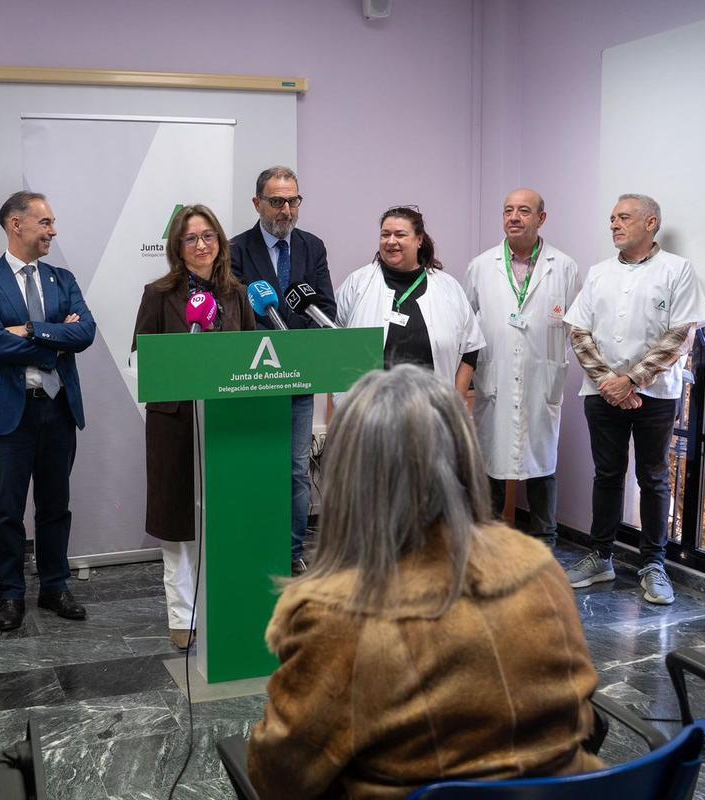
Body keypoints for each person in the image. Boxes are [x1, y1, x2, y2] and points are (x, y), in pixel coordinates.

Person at [247, 365, 603, 799]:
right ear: (464, 458)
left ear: (350, 476)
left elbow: (281, 778)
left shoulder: (335, 617)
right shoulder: (539, 570)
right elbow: (583, 718)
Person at [563, 193, 705, 605]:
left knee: (654, 477)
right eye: (612, 218)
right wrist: (609, 382)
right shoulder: (599, 273)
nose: (614, 224)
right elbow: (579, 332)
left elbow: (680, 334)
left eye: (624, 217)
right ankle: (600, 556)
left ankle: (653, 565)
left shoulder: (677, 270)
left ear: (651, 223)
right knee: (607, 475)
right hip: (601, 392)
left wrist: (631, 380)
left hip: (656, 394)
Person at [0, 191, 96, 632]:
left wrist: (30, 329)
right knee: (7, 510)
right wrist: (56, 339)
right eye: (45, 222)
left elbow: (86, 333)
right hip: (7, 415)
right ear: (15, 224)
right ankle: (11, 594)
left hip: (57, 409)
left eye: (52, 222)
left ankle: (55, 587)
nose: (53, 231)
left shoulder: (63, 279)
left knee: (55, 506)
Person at [135, 204, 256, 650]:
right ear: (178, 246)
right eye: (191, 238)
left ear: (220, 242)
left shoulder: (237, 294)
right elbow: (140, 357)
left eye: (208, 236)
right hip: (175, 424)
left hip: (226, 422)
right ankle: (181, 616)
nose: (201, 245)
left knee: (223, 522)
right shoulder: (158, 294)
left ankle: (221, 608)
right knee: (178, 527)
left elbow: (251, 356)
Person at [231, 166, 334, 575]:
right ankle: (255, 544)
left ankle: (291, 552)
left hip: (299, 378)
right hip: (253, 377)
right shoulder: (236, 250)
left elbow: (324, 306)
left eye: (293, 201)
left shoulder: (313, 247)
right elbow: (237, 314)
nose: (286, 210)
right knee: (258, 464)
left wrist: (295, 342)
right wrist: (278, 337)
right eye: (277, 201)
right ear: (257, 203)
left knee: (295, 469)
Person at [464, 189, 578, 548]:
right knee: (492, 464)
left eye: (524, 211)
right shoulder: (481, 266)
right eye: (508, 210)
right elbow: (466, 326)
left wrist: (552, 363)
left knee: (542, 465)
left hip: (541, 381)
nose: (514, 217)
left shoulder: (564, 267)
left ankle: (545, 545)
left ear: (541, 218)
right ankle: (489, 545)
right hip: (494, 380)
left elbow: (575, 328)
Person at [336, 206, 484, 397]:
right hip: (371, 409)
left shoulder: (448, 288)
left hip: (432, 408)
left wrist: (455, 401)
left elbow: (471, 349)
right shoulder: (357, 283)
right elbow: (335, 346)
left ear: (419, 240)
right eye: (385, 234)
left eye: (400, 234)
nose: (391, 241)